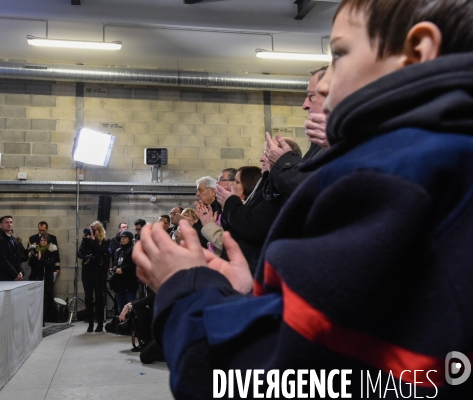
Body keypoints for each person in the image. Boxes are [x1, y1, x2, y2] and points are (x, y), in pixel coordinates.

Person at [132, 0, 473, 397]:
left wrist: (183, 286)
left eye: (340, 55)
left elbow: (260, 379)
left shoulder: (393, 178)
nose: (324, 86)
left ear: (418, 51)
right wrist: (251, 298)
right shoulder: (447, 168)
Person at [266, 67, 329, 197]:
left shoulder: (361, 137)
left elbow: (311, 186)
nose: (305, 105)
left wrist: (283, 161)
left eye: (311, 96)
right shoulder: (320, 141)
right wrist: (278, 166)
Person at [77, 221, 110, 332]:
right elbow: (80, 253)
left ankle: (99, 324)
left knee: (99, 297)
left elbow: (101, 250)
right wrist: (86, 240)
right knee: (88, 297)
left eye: (94, 230)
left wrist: (93, 239)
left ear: (99, 231)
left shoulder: (105, 241)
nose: (91, 232)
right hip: (87, 270)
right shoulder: (86, 240)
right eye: (90, 229)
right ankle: (90, 323)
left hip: (99, 271)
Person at [28, 233, 59, 323]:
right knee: (35, 297)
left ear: (48, 242)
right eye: (41, 240)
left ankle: (44, 317)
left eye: (45, 240)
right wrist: (34, 257)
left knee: (46, 297)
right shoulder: (35, 249)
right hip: (36, 276)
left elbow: (50, 264)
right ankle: (35, 317)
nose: (43, 242)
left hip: (47, 277)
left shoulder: (51, 250)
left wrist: (40, 259)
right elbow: (30, 264)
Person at [110, 230, 137, 313]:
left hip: (129, 283)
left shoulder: (133, 250)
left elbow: (135, 265)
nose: (122, 239)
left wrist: (123, 270)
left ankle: (132, 325)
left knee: (130, 307)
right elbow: (116, 263)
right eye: (121, 237)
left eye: (124, 237)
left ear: (129, 238)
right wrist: (113, 269)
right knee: (120, 307)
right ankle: (121, 324)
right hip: (119, 284)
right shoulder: (118, 251)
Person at [0, 216, 23, 282]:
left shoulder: (14, 240)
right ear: (1, 225)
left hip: (14, 276)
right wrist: (15, 274)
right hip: (3, 276)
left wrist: (20, 271)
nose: (9, 224)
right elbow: (2, 260)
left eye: (11, 222)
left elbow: (18, 258)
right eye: (6, 222)